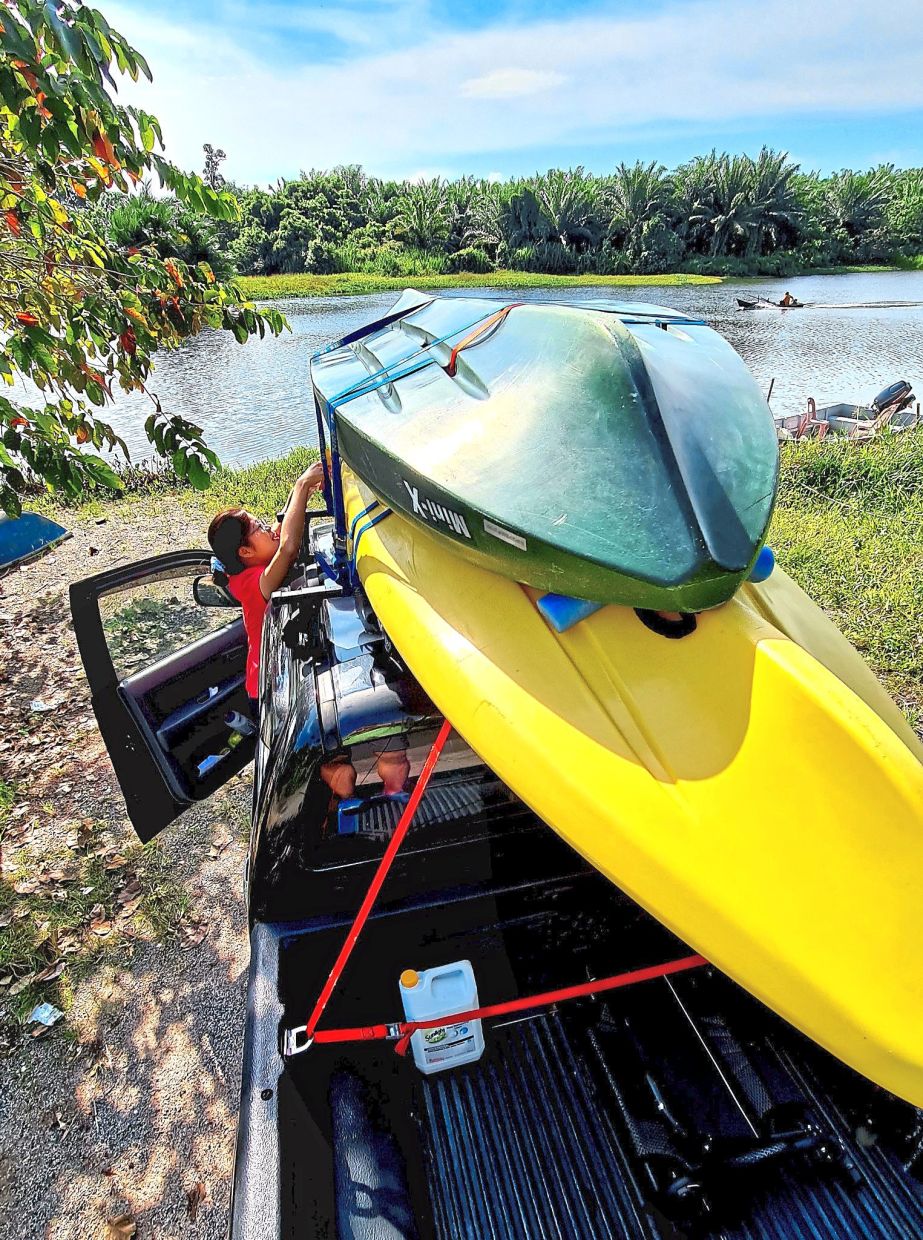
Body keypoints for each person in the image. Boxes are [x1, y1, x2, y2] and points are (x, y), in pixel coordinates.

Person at [207, 462, 325, 715]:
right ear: (245, 551)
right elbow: (287, 547)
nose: (269, 529)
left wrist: (304, 482)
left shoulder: (244, 565)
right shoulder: (251, 583)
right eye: (259, 528)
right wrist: (302, 485)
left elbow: (280, 526)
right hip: (267, 690)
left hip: (275, 677)